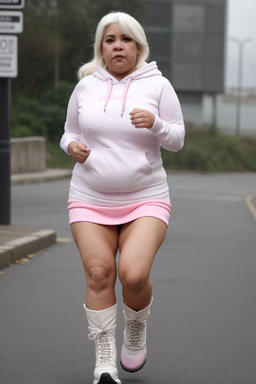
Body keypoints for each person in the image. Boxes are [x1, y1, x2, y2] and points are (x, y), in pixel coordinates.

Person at [60, 11, 185, 384]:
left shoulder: (158, 85)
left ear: (139, 46)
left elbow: (177, 139)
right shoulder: (85, 86)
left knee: (133, 273)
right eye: (110, 39)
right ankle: (103, 355)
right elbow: (67, 132)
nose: (118, 46)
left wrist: (157, 124)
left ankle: (135, 326)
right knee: (99, 273)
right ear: (101, 47)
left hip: (145, 197)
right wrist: (73, 147)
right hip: (88, 196)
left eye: (126, 39)